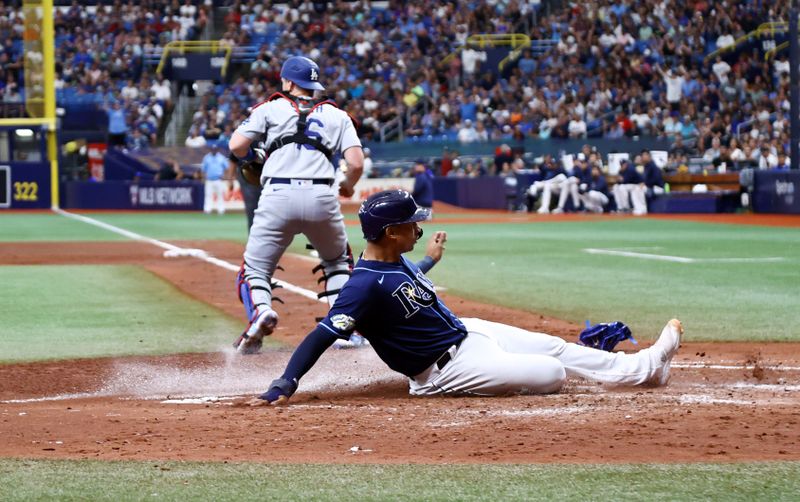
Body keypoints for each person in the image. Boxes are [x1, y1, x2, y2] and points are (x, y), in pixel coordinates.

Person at [252, 189, 683, 405]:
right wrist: (286, 381)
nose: (418, 228)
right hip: (443, 371)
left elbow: (402, 289)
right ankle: (501, 378)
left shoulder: (393, 259)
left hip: (468, 334)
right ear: (390, 233)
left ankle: (643, 369)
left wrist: (430, 263)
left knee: (554, 346)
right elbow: (324, 333)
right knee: (552, 372)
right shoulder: (361, 286)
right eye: (411, 224)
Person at [227, 55, 364, 354]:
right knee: (338, 262)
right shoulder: (337, 115)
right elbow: (355, 162)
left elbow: (236, 146)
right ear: (313, 85)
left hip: (277, 196)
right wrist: (347, 185)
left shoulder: (268, 108)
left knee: (255, 269)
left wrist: (256, 157)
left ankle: (262, 312)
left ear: (287, 82)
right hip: (321, 197)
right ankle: (343, 331)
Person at [200, 144, 228, 214]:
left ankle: (221, 210)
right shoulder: (206, 157)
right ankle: (207, 210)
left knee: (220, 195)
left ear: (217, 150)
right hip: (209, 180)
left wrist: (225, 176)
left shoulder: (221, 157)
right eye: (212, 149)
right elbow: (203, 169)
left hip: (219, 179)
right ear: (210, 150)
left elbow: (227, 168)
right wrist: (203, 177)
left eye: (215, 149)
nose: (214, 151)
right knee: (208, 195)